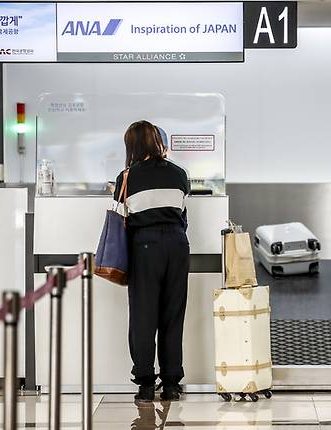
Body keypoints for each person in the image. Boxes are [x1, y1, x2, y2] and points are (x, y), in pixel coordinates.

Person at [114, 120, 191, 402]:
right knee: (172, 315)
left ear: (133, 146)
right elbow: (183, 215)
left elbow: (121, 215)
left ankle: (146, 384)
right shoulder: (179, 173)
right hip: (177, 245)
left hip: (144, 246)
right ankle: (171, 384)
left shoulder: (126, 177)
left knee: (143, 316)